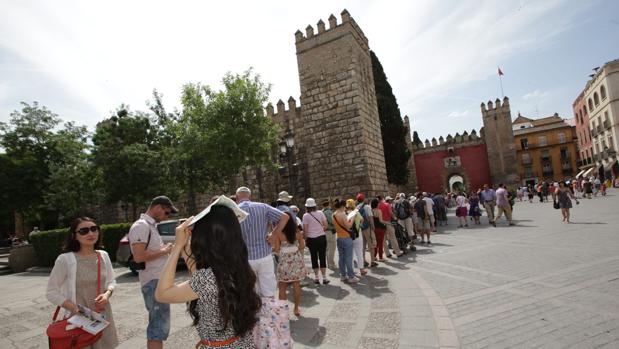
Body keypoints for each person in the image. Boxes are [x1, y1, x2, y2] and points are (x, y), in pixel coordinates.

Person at [155, 198, 261, 349]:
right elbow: (198, 275)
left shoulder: (207, 279)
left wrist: (177, 246)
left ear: (204, 238)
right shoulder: (237, 267)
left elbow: (162, 294)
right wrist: (185, 250)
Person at [47, 217, 118, 349]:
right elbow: (51, 292)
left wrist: (107, 294)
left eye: (94, 229)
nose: (90, 234)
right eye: (84, 231)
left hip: (102, 316)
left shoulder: (103, 255)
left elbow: (111, 281)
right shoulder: (65, 260)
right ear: (74, 236)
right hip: (78, 319)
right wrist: (75, 308)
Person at [128, 196, 177, 349]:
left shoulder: (150, 226)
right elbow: (139, 256)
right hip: (153, 282)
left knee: (160, 326)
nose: (166, 217)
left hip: (157, 281)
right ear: (158, 208)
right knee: (157, 327)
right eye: (167, 213)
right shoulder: (141, 226)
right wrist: (163, 250)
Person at [236, 187, 289, 297]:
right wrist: (274, 234)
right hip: (264, 254)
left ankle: (255, 313)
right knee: (269, 291)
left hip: (245, 258)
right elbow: (284, 217)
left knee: (251, 292)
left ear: (237, 198)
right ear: (249, 196)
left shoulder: (233, 211)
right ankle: (270, 313)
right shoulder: (262, 207)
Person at [275, 212, 307, 316]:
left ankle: (284, 312)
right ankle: (296, 309)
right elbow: (302, 246)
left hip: (284, 259)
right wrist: (294, 249)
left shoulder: (278, 232)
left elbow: (276, 249)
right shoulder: (297, 231)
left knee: (282, 286)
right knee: (296, 284)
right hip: (296, 258)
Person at [302, 198, 329, 285]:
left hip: (311, 239)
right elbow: (326, 225)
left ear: (307, 206)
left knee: (314, 257)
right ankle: (324, 277)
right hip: (321, 237)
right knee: (322, 257)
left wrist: (305, 239)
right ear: (315, 205)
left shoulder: (305, 216)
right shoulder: (321, 213)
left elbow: (305, 230)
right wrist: (320, 230)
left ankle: (317, 277)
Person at [332, 199, 358, 283]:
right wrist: (353, 217)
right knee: (348, 258)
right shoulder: (342, 214)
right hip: (346, 238)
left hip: (339, 237)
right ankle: (351, 276)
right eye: (345, 207)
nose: (345, 209)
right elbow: (348, 226)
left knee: (341, 257)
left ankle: (343, 275)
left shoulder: (334, 214)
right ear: (342, 206)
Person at [346, 199, 367, 276]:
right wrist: (359, 225)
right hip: (357, 234)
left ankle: (351, 271)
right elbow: (362, 220)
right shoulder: (356, 212)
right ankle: (361, 270)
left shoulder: (345, 213)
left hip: (348, 236)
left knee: (350, 254)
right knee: (359, 252)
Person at [356, 194, 377, 267]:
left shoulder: (357, 208)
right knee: (371, 244)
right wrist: (373, 226)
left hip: (360, 228)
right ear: (363, 199)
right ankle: (372, 261)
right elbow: (371, 217)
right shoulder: (367, 207)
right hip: (368, 228)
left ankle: (364, 261)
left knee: (363, 246)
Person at [322, 200, 337, 269]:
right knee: (332, 248)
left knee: (327, 248)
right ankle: (331, 264)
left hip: (324, 231)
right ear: (328, 205)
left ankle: (329, 263)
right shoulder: (329, 212)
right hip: (330, 231)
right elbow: (332, 221)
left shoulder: (321, 212)